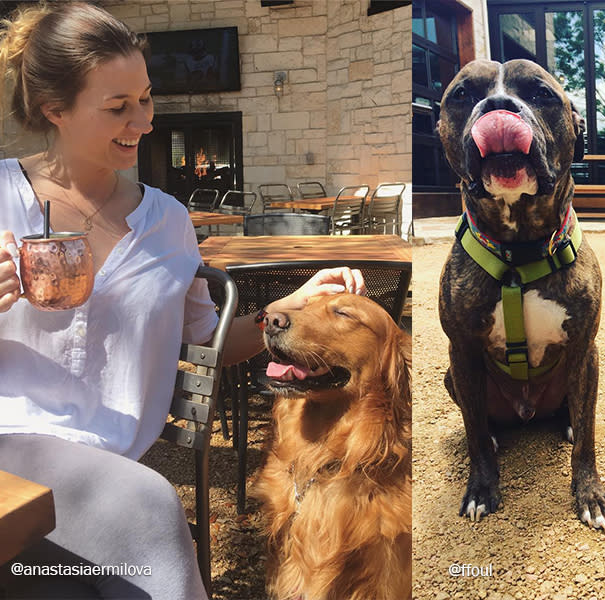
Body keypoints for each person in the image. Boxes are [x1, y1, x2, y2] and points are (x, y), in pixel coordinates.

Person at [0, 3, 364, 599]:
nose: (142, 121)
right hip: (11, 452)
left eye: (145, 98)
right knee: (148, 507)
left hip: (105, 475)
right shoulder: (2, 195)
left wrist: (294, 306)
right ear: (53, 110)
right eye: (118, 107)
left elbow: (210, 343)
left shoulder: (167, 220)